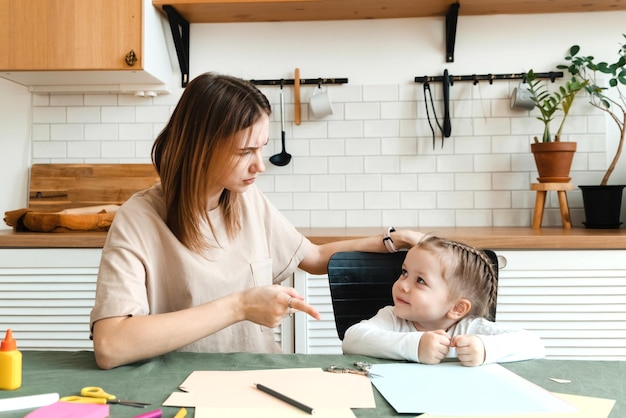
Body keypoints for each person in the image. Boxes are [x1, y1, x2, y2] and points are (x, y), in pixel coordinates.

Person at [90, 72, 423, 370]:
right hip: (179, 386)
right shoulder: (138, 220)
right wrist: (240, 306)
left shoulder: (245, 199)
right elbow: (111, 345)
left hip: (260, 376)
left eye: (262, 149)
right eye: (245, 151)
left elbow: (315, 257)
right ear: (200, 148)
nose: (259, 165)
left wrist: (393, 239)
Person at [342, 235, 545, 366]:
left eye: (420, 280)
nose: (402, 285)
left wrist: (484, 349)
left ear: (457, 308)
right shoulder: (392, 317)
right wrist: (416, 346)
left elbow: (534, 344)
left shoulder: (470, 329)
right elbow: (351, 340)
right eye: (404, 272)